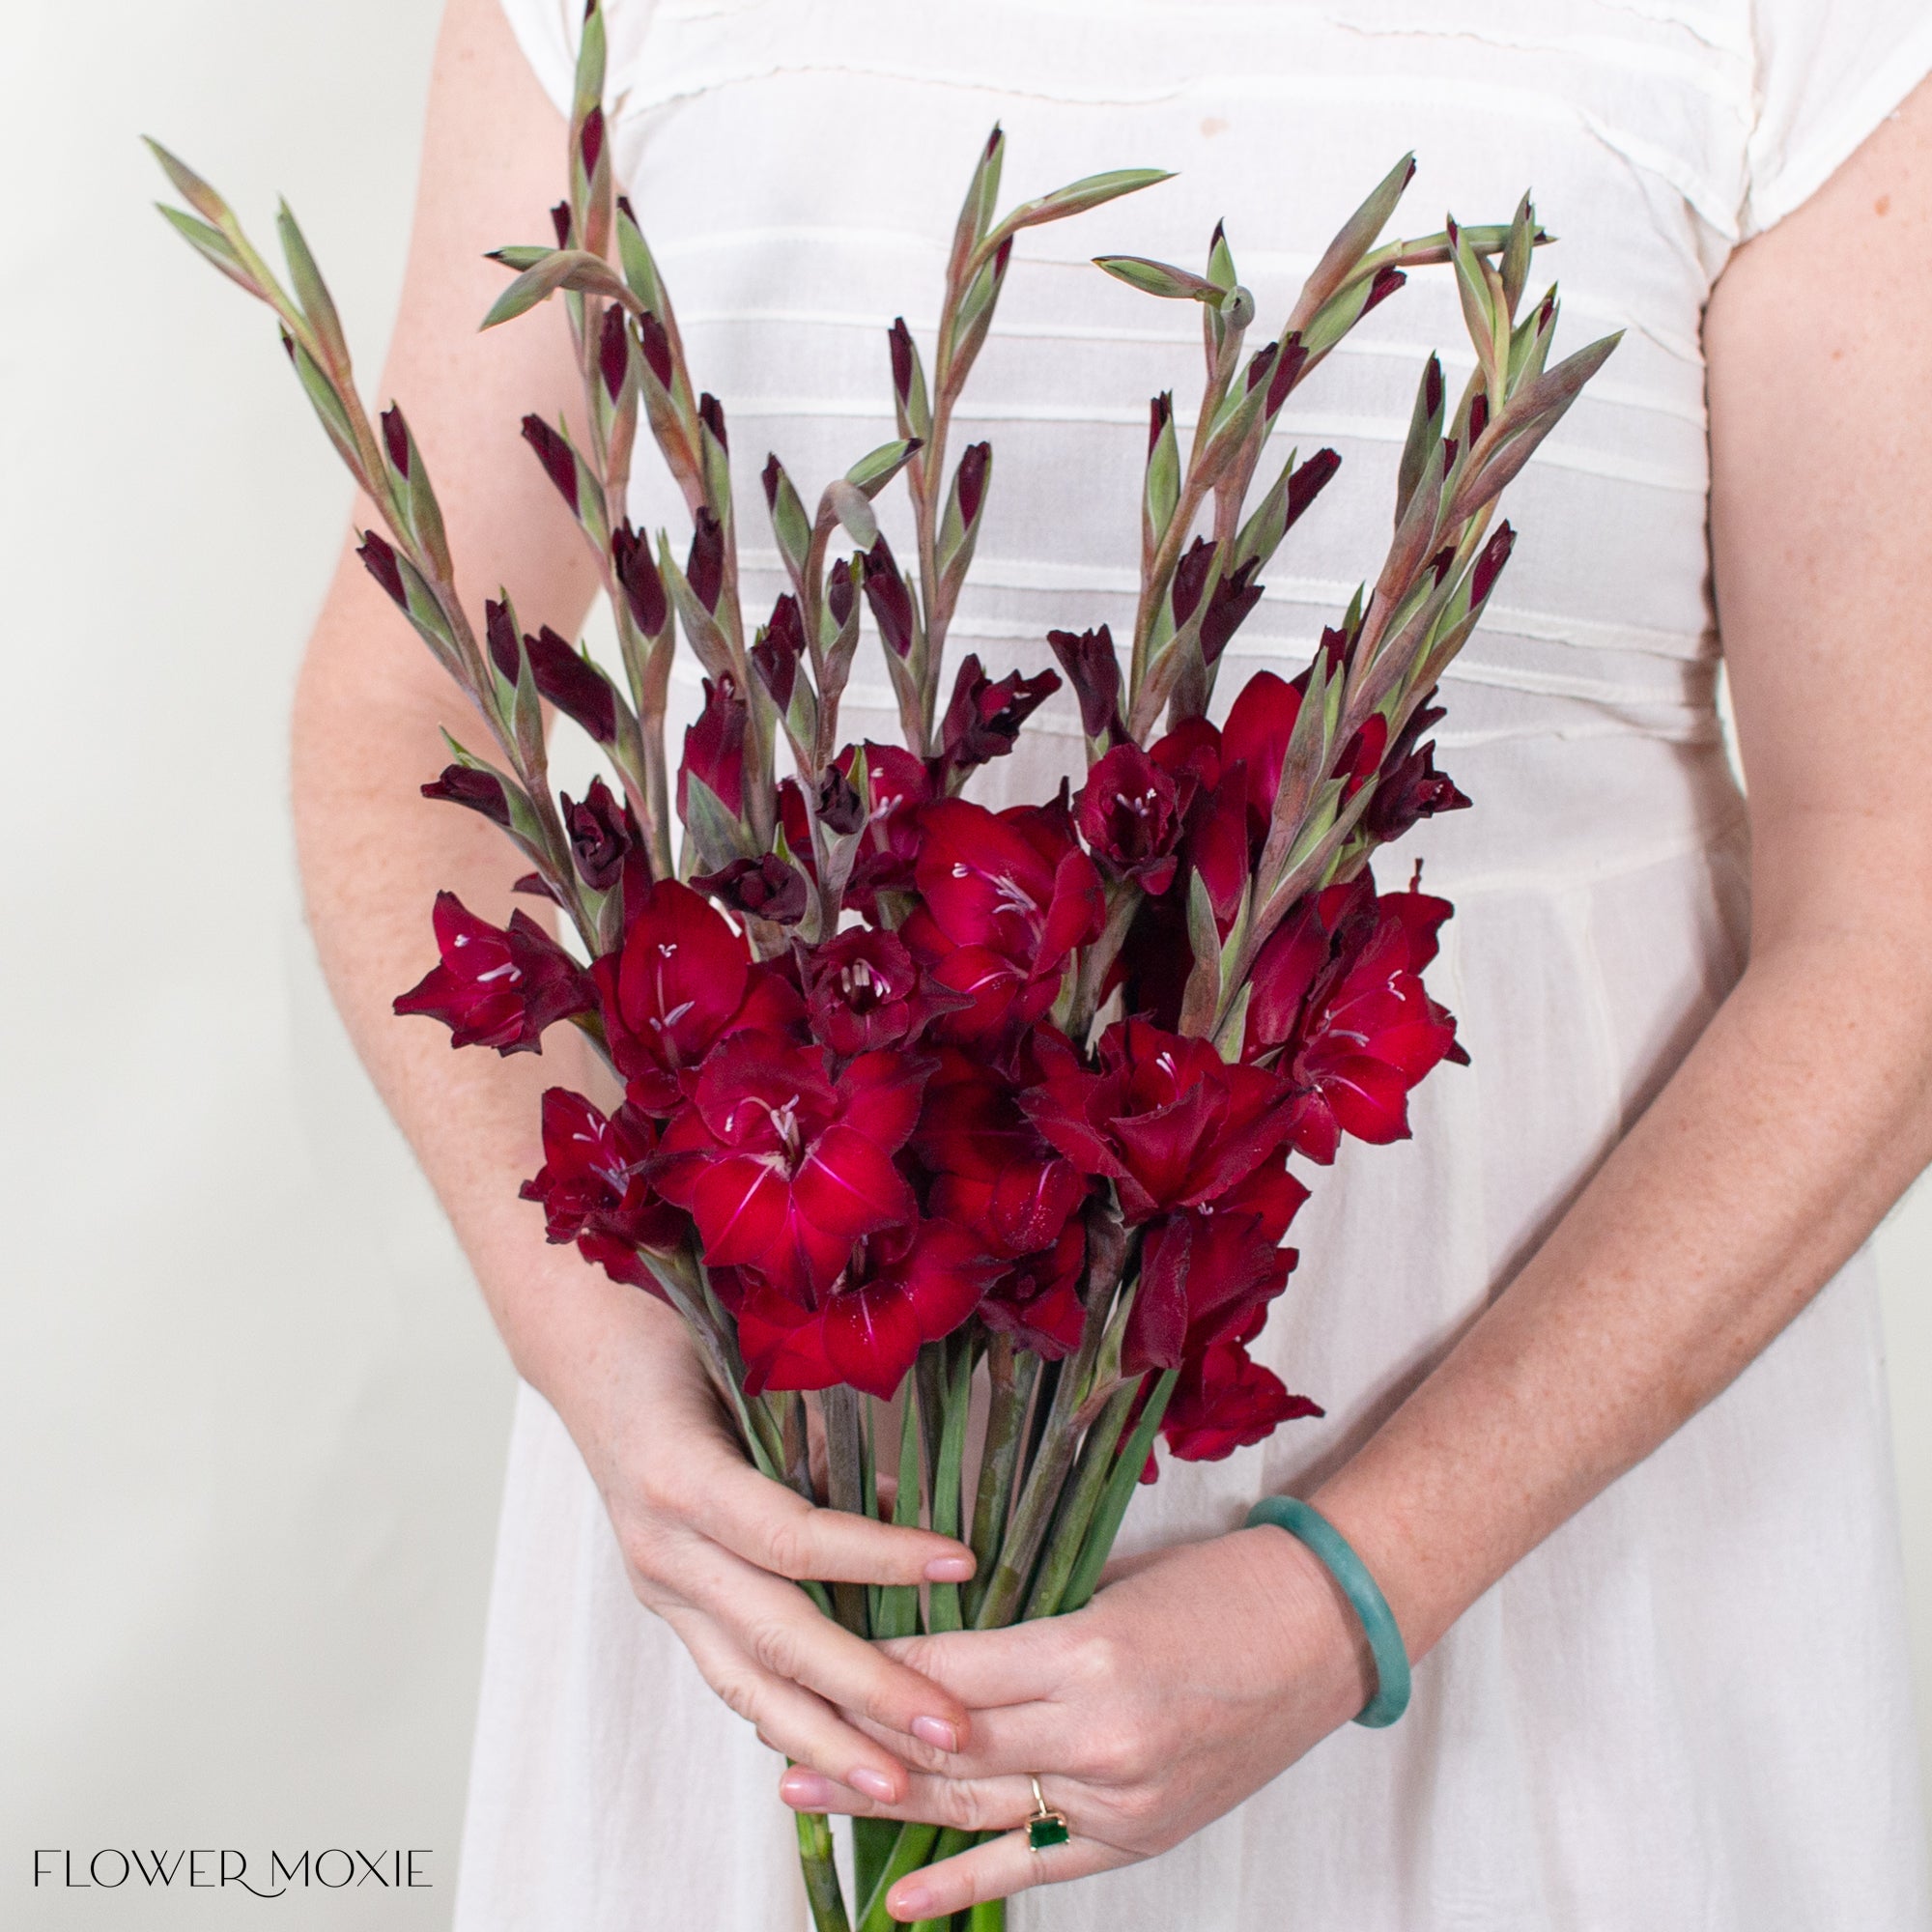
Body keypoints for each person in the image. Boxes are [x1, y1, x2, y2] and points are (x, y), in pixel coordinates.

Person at [291, 0, 1932, 1922]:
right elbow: (401, 726)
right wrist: (620, 1374)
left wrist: (1358, 1582)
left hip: (1549, 1560)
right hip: (811, 1530)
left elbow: (1889, 889)